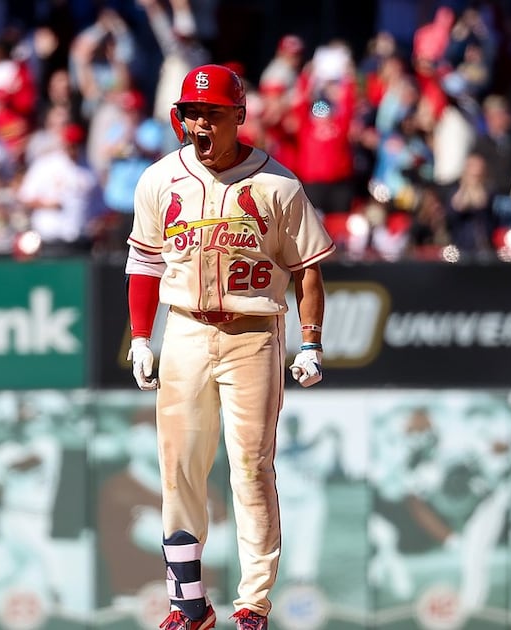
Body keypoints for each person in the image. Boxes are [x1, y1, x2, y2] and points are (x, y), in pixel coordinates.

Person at [124, 64, 335, 630]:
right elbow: (144, 262)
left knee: (250, 467)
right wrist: (142, 336)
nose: (199, 122)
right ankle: (188, 603)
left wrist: (310, 341)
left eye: (212, 112)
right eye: (191, 112)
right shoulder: (159, 180)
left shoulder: (277, 183)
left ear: (238, 117)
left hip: (252, 332)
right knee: (179, 465)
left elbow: (307, 270)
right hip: (186, 328)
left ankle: (253, 603)